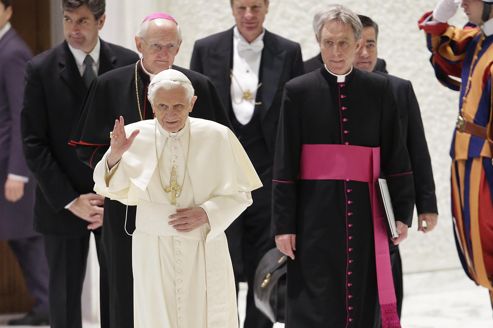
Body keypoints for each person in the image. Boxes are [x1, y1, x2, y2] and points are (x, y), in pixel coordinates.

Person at [70, 12, 230, 328]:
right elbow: (87, 149)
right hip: (127, 215)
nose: (163, 54)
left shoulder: (199, 87)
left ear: (180, 47)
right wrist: (119, 163)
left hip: (182, 214)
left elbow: (219, 150)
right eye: (156, 46)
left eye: (171, 47)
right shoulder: (110, 84)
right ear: (139, 44)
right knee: (123, 292)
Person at [272, 5, 415, 328]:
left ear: (357, 44)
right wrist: (283, 225)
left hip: (367, 213)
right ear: (318, 43)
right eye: (328, 43)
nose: (335, 52)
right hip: (313, 214)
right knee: (315, 299)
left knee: (363, 298)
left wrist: (403, 214)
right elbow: (284, 162)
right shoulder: (298, 91)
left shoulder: (380, 90)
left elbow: (396, 156)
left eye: (343, 43)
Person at [93, 69, 262, 328]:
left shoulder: (217, 136)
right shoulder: (133, 136)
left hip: (203, 241)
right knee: (156, 316)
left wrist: (207, 212)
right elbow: (109, 189)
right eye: (162, 106)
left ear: (192, 103)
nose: (170, 114)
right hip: (152, 245)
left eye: (178, 106)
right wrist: (114, 155)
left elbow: (241, 194)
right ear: (151, 105)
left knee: (203, 315)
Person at [20, 0, 138, 327]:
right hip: (61, 202)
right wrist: (72, 200)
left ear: (101, 21)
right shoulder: (40, 70)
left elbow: (138, 135)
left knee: (120, 295)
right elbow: (33, 142)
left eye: (83, 20)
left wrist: (112, 195)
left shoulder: (128, 63)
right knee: (64, 298)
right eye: (68, 19)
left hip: (116, 201)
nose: (74, 29)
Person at [190, 1, 303, 326]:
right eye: (242, 7)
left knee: (264, 265)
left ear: (266, 7)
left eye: (256, 6)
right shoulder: (206, 48)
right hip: (219, 177)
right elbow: (195, 116)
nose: (249, 15)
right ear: (232, 8)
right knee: (221, 262)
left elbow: (294, 118)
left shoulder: (288, 51)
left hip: (269, 176)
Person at [353, 14, 439, 316]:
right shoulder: (333, 89)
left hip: (388, 202)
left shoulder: (399, 89)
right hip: (346, 200)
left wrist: (426, 205)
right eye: (358, 45)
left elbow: (418, 148)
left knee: (387, 274)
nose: (364, 53)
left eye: (371, 45)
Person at [419, 0, 493, 304]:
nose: (462, 3)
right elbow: (443, 51)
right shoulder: (478, 37)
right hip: (469, 155)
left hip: (486, 158)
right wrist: (441, 13)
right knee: (481, 246)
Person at [0, 0, 49, 325]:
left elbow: (23, 115)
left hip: (10, 166)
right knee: (19, 236)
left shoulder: (12, 51)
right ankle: (47, 304)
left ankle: (50, 305)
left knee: (27, 238)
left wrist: (18, 172)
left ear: (7, 10)